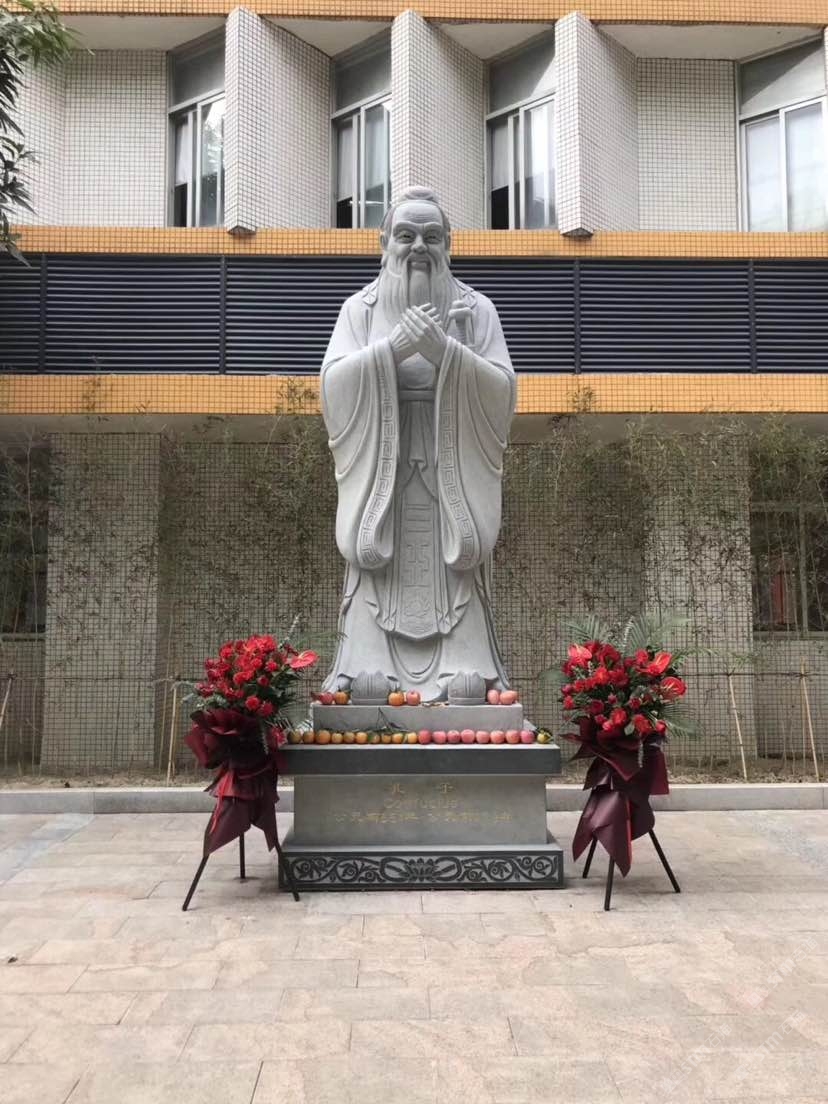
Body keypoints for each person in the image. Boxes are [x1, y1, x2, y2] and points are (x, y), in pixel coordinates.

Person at [320, 186, 516, 702]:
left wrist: (446, 352)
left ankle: (463, 664)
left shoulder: (477, 310)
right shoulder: (360, 311)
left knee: (455, 567)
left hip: (451, 469)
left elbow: (502, 392)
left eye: (431, 236)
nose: (418, 248)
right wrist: (393, 349)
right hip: (382, 471)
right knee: (377, 564)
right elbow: (334, 388)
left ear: (448, 243)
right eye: (405, 235)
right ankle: (368, 664)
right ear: (384, 242)